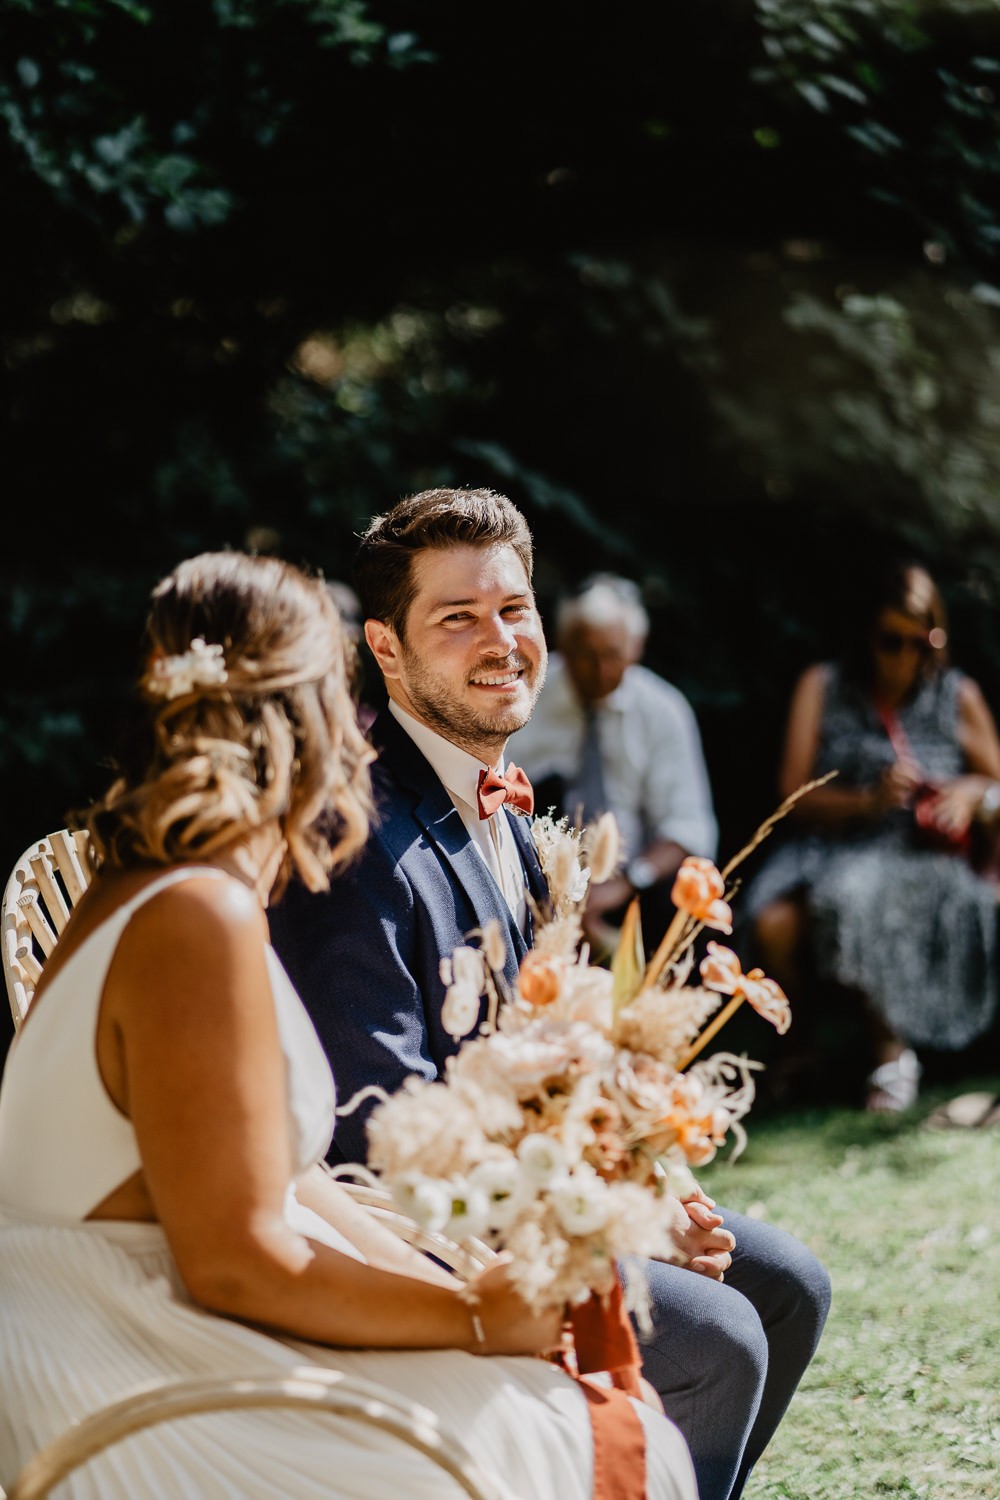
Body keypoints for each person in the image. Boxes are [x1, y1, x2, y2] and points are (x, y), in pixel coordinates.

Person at [0, 550, 697, 1500]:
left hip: (152, 1329)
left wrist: (463, 1292)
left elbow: (285, 1191)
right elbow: (238, 1266)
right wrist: (478, 1321)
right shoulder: (193, 919)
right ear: (305, 721)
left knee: (562, 1403)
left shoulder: (156, 890)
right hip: (132, 1375)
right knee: (576, 1438)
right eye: (345, 700)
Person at [269, 489, 832, 1500]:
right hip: (408, 1246)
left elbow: (543, 1055)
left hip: (530, 1193)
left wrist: (647, 1182)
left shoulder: (506, 806)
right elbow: (375, 1135)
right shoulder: (357, 839)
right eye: (458, 618)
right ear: (385, 650)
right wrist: (609, 1225)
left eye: (514, 609)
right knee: (720, 1339)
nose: (502, 642)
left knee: (789, 1285)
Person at [742, 559, 1000, 1113]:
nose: (907, 656)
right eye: (892, 641)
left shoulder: (958, 694)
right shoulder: (823, 685)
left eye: (923, 642)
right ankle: (800, 1051)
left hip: (920, 850)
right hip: (832, 842)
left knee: (863, 895)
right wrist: (869, 800)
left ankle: (891, 1053)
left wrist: (968, 793)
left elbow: (996, 779)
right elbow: (792, 794)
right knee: (791, 916)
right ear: (866, 635)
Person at [506, 574, 717, 956]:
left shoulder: (663, 711)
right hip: (535, 877)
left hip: (633, 886)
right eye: (588, 656)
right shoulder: (523, 702)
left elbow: (689, 827)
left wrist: (628, 881)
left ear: (637, 647)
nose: (601, 671)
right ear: (564, 644)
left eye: (614, 656)